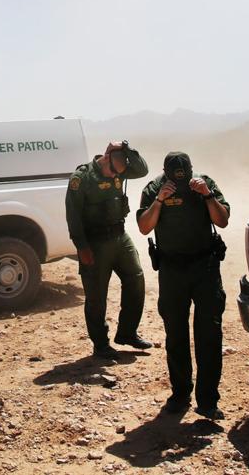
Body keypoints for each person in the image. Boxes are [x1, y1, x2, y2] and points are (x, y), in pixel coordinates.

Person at [137, 151, 230, 419]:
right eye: (175, 176)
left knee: (209, 335)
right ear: (166, 173)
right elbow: (144, 227)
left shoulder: (204, 183)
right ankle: (180, 394)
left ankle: (208, 400)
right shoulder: (155, 188)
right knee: (175, 334)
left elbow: (222, 220)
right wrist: (160, 200)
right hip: (172, 270)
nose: (181, 180)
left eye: (184, 175)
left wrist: (207, 195)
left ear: (191, 170)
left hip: (205, 268)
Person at [65, 141, 153, 359]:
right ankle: (101, 344)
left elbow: (142, 170)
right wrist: (82, 247)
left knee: (136, 278)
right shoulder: (82, 178)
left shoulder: (120, 169)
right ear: (105, 158)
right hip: (94, 243)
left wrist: (127, 147)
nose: (116, 176)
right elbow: (73, 216)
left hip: (120, 237)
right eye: (113, 171)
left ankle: (127, 333)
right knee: (96, 295)